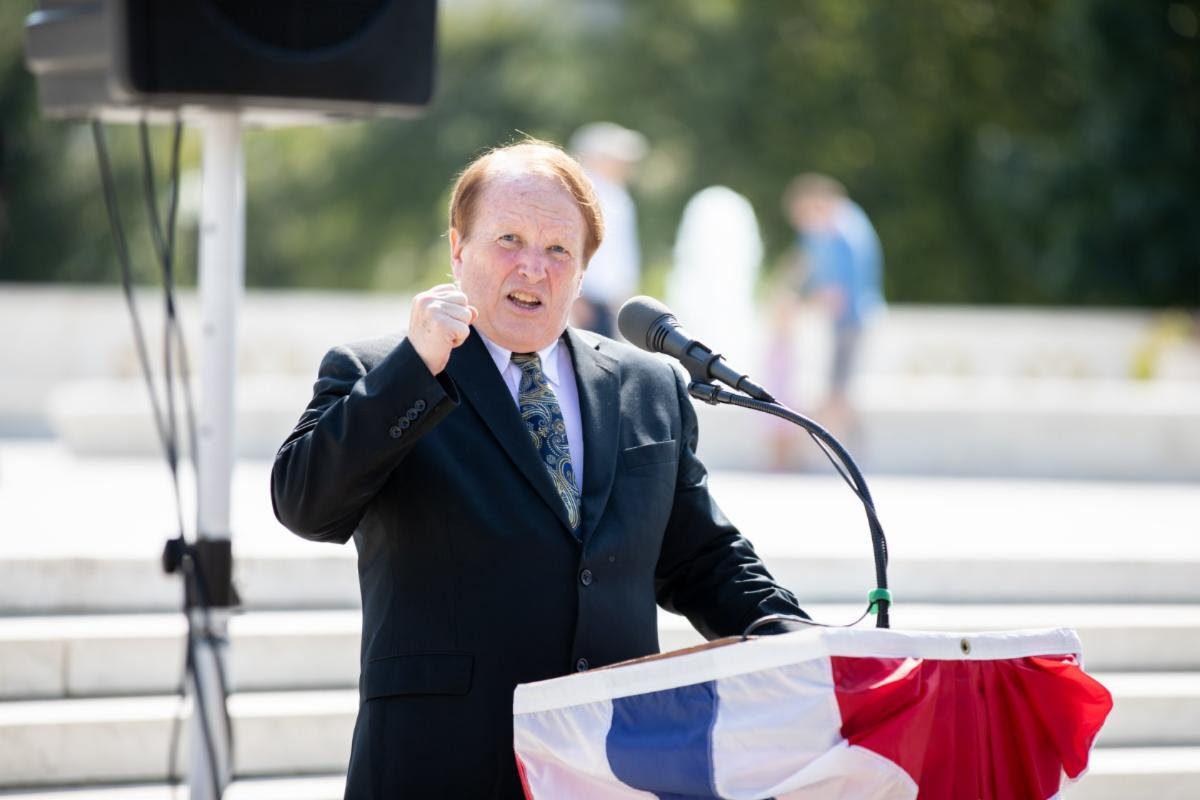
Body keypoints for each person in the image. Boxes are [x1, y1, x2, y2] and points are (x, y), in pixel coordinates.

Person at [271, 139, 805, 799]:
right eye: (509, 240)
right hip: (442, 763)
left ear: (584, 270)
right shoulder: (383, 374)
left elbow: (704, 562)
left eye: (558, 250)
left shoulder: (648, 385)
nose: (533, 267)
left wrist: (803, 643)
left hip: (609, 766)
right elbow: (305, 506)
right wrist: (414, 369)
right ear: (457, 249)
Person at [781, 174, 884, 459]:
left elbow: (837, 292)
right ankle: (849, 451)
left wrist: (798, 305)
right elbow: (804, 262)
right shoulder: (829, 228)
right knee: (837, 387)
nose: (802, 222)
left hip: (853, 320)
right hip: (846, 320)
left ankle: (846, 454)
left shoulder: (844, 230)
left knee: (838, 388)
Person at [568, 122, 646, 338]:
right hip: (587, 300)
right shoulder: (583, 193)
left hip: (608, 302)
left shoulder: (617, 194)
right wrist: (577, 299)